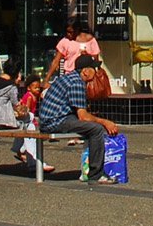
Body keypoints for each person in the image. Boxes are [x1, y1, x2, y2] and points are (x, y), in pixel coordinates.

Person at [36, 54, 121, 183]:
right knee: (96, 129)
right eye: (94, 69)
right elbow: (83, 116)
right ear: (85, 71)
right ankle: (96, 174)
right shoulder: (76, 83)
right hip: (55, 121)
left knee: (89, 128)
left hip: (52, 118)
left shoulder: (70, 78)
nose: (96, 72)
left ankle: (88, 168)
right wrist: (105, 122)